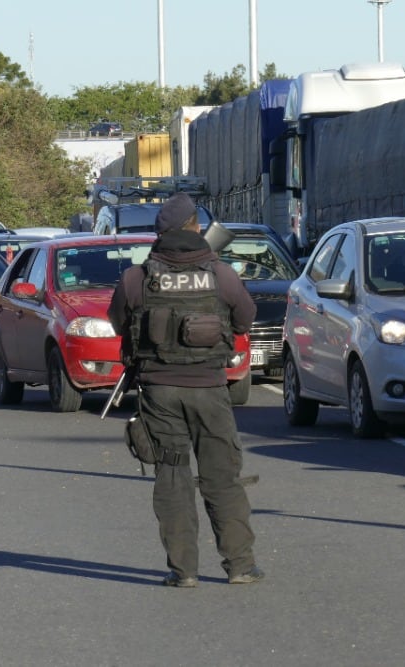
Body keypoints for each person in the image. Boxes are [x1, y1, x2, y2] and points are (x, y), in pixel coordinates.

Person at [107, 192, 262, 588]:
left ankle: (183, 571)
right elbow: (245, 320)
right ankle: (240, 566)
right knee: (221, 477)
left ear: (158, 234)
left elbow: (118, 323)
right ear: (196, 227)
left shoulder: (136, 278)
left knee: (172, 477)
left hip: (159, 392)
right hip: (210, 390)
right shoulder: (222, 274)